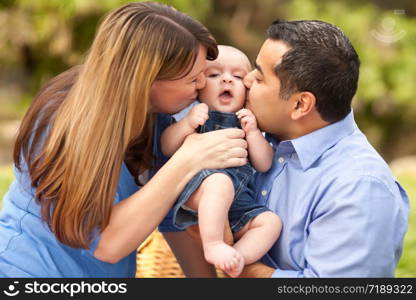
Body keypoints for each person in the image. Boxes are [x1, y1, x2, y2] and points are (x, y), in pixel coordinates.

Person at [0, 2, 249, 277]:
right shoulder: (61, 121)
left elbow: (168, 213)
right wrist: (187, 160)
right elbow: (107, 244)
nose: (203, 84)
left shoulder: (156, 118)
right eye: (193, 79)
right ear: (147, 80)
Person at [238, 20, 409, 277]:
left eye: (260, 77)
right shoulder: (257, 133)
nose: (247, 79)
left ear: (300, 105)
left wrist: (240, 266)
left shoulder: (358, 186)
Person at [158, 45, 282, 277]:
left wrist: (253, 133)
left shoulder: (249, 120)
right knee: (219, 183)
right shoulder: (192, 111)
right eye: (214, 75)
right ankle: (213, 245)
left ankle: (237, 258)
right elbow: (166, 146)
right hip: (199, 189)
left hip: (239, 201)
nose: (226, 80)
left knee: (271, 222)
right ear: (198, 86)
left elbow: (264, 163)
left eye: (237, 76)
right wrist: (186, 125)